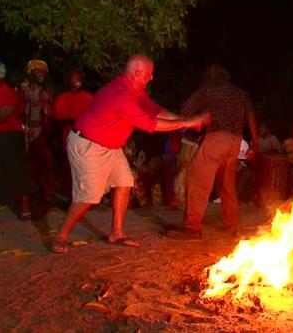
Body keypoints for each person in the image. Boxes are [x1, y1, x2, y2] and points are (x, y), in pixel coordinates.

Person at [51, 55, 210, 253]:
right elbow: (150, 124)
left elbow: (155, 111)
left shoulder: (136, 91)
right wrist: (188, 123)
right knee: (89, 196)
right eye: (149, 74)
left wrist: (186, 120)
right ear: (138, 73)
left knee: (124, 182)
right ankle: (61, 235)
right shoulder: (121, 95)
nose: (151, 78)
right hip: (89, 144)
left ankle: (116, 232)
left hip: (110, 145)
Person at [174, 64, 258, 239]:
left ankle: (192, 227)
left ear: (209, 77)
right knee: (227, 184)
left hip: (216, 139)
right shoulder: (240, 93)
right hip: (235, 141)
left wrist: (200, 116)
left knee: (198, 180)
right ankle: (234, 226)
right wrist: (255, 142)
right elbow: (250, 115)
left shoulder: (208, 90)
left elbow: (186, 109)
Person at [16, 59, 55, 209]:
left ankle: (43, 197)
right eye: (38, 71)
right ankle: (26, 202)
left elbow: (49, 114)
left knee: (44, 165)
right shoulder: (22, 89)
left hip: (42, 132)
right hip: (26, 131)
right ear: (31, 73)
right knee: (27, 167)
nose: (41, 74)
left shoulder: (47, 91)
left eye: (43, 72)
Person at [0, 61, 35, 219]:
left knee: (17, 171)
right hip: (3, 135)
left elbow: (3, 115)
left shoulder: (7, 92)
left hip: (10, 136)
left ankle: (25, 207)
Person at [53, 70, 94, 201]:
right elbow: (59, 119)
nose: (78, 80)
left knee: (86, 168)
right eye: (74, 77)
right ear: (68, 80)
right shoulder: (62, 98)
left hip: (87, 136)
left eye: (79, 77)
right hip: (70, 135)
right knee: (69, 168)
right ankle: (71, 198)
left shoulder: (88, 97)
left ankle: (87, 198)